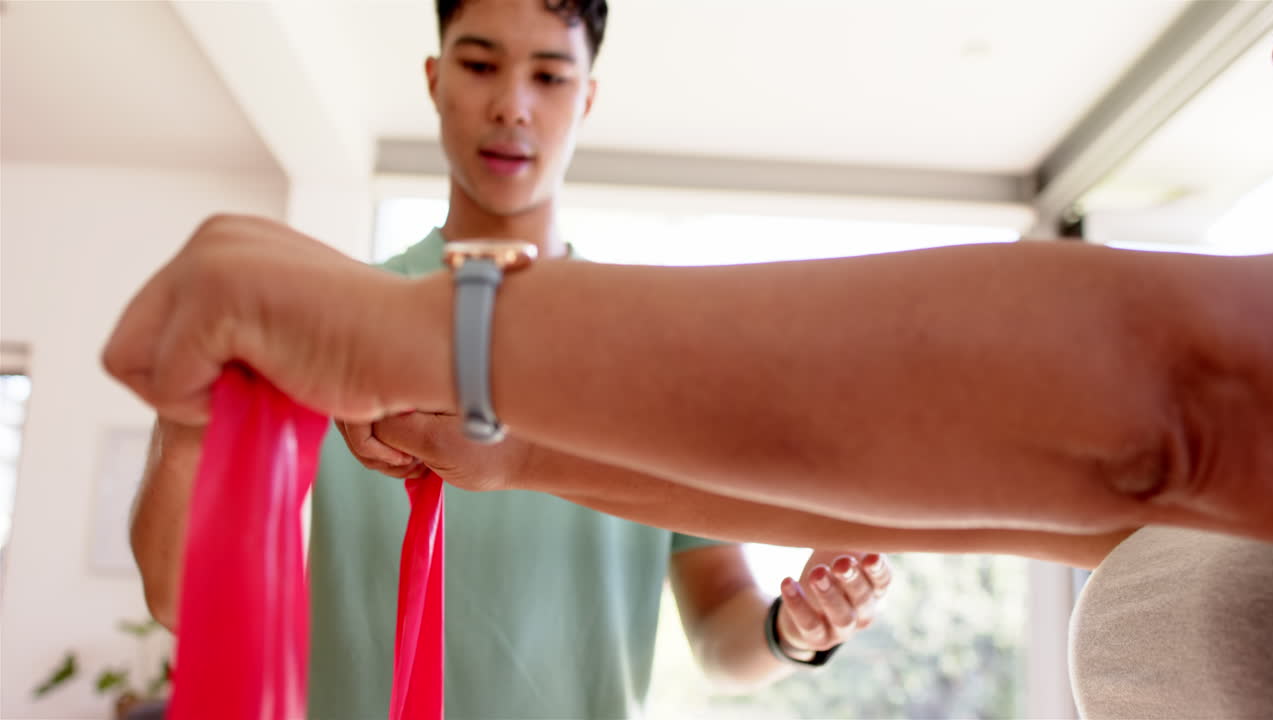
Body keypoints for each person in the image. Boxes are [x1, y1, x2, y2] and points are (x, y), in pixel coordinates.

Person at [129, 2, 892, 719]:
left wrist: (796, 628)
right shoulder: (330, 326)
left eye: (549, 76)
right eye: (481, 65)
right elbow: (178, 598)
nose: (513, 106)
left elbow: (722, 634)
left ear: (585, 98)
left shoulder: (652, 353)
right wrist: (184, 413)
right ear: (436, 80)